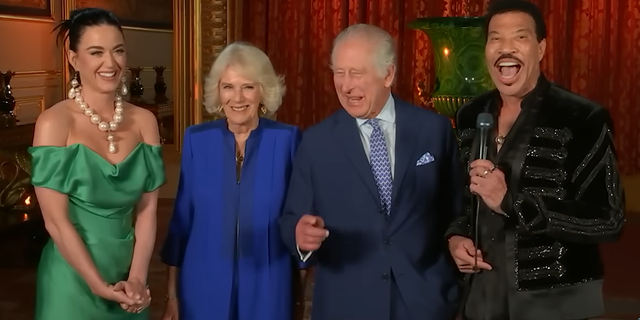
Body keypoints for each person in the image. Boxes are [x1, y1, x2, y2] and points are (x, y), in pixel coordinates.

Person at [446, 1, 626, 320]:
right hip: (481, 298)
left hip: (552, 303)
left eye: (520, 38)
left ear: (540, 48)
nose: (506, 49)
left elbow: (609, 219)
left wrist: (512, 203)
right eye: (495, 38)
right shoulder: (472, 115)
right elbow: (463, 197)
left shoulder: (581, 117)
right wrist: (457, 236)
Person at [278, 24, 461, 320]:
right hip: (345, 305)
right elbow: (291, 220)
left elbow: (457, 211)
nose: (345, 86)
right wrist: (299, 236)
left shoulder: (433, 130)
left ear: (388, 74)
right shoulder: (316, 142)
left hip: (424, 303)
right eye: (339, 73)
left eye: (356, 73)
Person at [29, 7, 166, 320]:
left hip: (128, 281)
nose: (110, 63)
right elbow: (56, 224)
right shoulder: (53, 123)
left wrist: (137, 279)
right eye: (96, 52)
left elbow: (147, 213)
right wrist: (98, 286)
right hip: (70, 281)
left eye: (118, 51)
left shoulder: (145, 121)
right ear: (74, 59)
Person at [160, 42, 302, 320]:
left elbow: (298, 222)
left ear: (263, 91)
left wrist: (300, 298)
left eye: (248, 86)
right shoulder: (196, 140)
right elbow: (181, 223)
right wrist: (172, 296)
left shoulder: (287, 140)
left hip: (269, 286)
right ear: (218, 92)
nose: (237, 98)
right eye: (228, 87)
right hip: (202, 284)